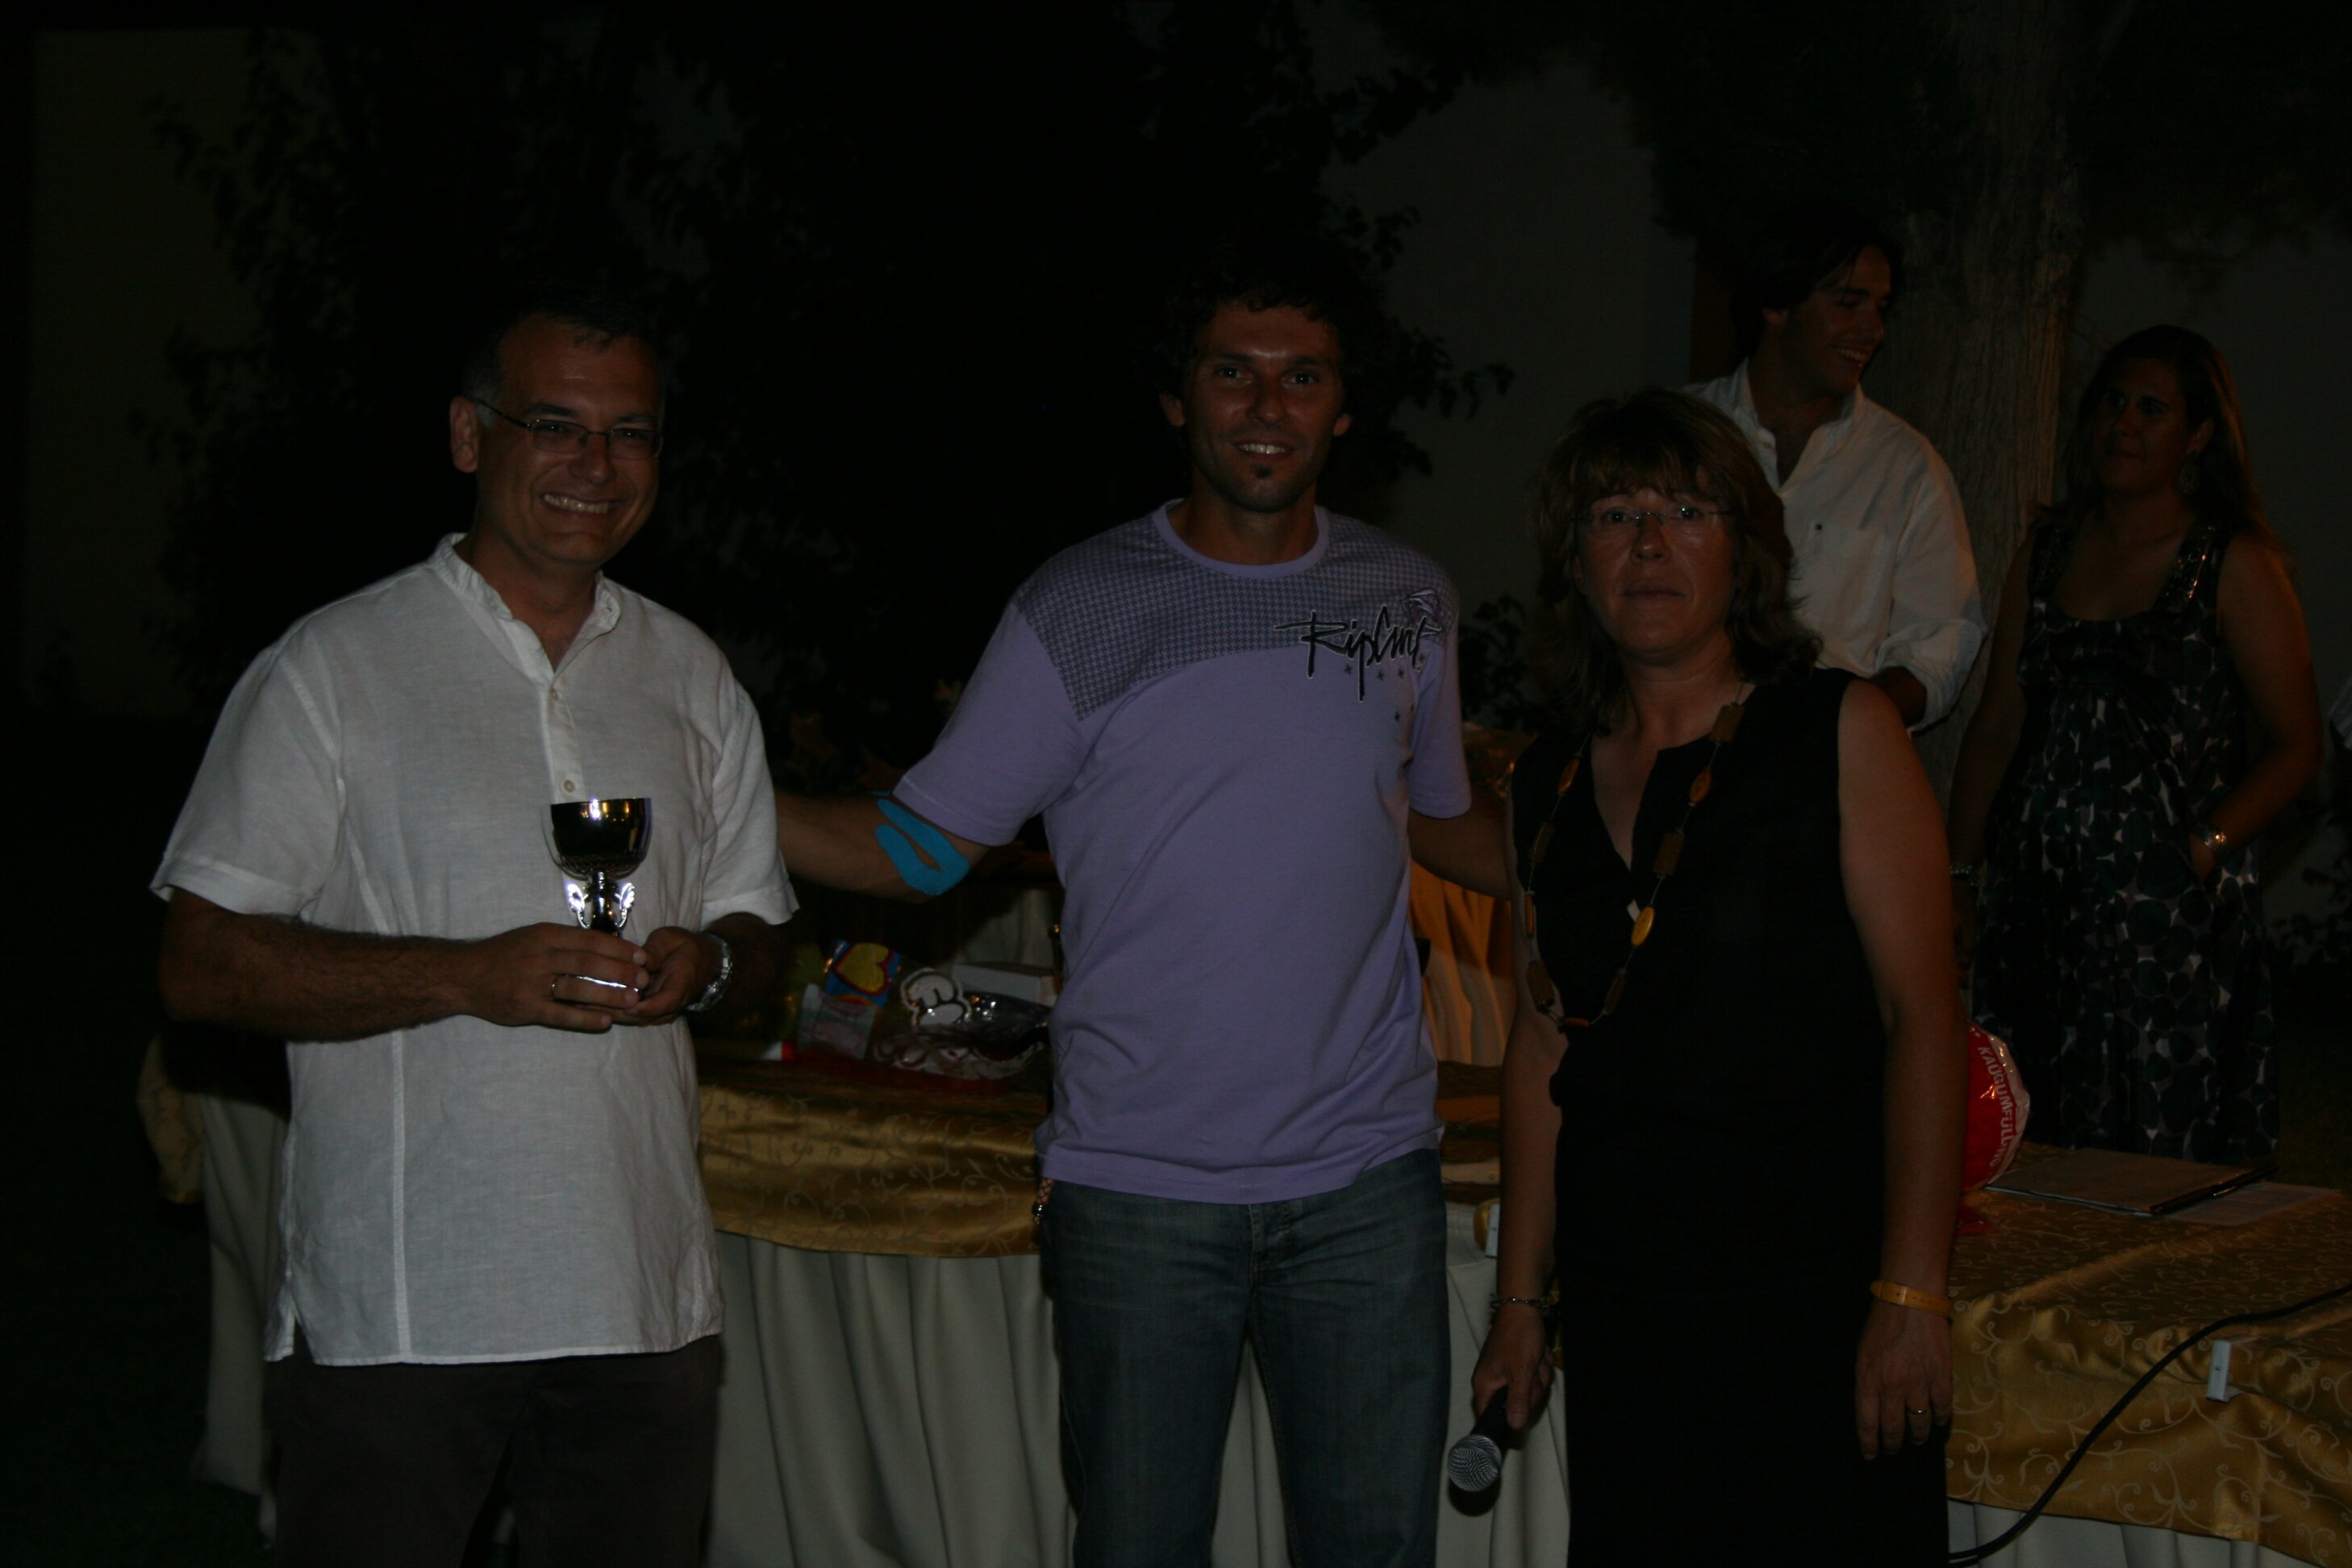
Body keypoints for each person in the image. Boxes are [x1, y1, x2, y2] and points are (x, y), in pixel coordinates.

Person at [774, 241, 1488, 1566]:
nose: (1267, 406)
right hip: (1138, 1190)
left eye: (1303, 376)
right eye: (1232, 372)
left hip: (1365, 1179)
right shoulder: (1080, 606)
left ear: (1346, 407)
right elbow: (923, 849)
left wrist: (1623, 854)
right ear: (1177, 396)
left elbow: (1440, 815)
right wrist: (720, 797)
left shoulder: (1408, 599)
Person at [153, 285, 792, 1567]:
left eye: (630, 434)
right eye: (554, 425)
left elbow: (759, 933)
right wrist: (465, 975)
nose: (595, 466)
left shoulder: (691, 673)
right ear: (468, 435)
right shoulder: (336, 666)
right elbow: (202, 964)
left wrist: (713, 962)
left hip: (643, 1302)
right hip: (407, 1305)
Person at [1471, 391, 1964, 1566]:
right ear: (1575, 563)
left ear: (1746, 551)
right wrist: (1520, 1304)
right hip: (1629, 1306)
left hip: (1813, 1298)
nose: (1649, 543)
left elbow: (1925, 1020)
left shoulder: (1838, 728)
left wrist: (1911, 1295)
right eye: (1614, 515)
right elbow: (1544, 1048)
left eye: (1687, 511)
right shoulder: (1544, 779)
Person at [1948, 326, 2321, 1162]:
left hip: (2165, 928)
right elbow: (1997, 725)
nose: (2124, 423)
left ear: (2198, 436)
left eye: (2152, 409)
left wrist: (2198, 852)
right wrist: (1960, 878)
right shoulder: (2048, 551)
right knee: (2030, 1144)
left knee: (2155, 1154)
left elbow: (2298, 745)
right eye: (2113, 402)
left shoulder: (2230, 563)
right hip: (2037, 914)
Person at [1689, 201, 1985, 728]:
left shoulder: (1907, 468)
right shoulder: (1678, 433)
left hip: (1825, 767)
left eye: (1881, 307)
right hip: (1672, 746)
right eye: (1849, 303)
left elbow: (1938, 647)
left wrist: (1832, 728)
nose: (1873, 330)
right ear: (1777, 304)